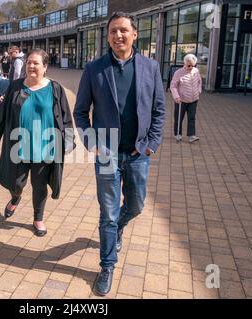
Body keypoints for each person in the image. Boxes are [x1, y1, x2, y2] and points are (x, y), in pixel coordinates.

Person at [73, 12, 166, 296]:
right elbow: (80, 112)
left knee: (135, 206)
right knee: (108, 214)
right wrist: (92, 143)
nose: (118, 36)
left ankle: (119, 228)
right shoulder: (94, 69)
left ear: (134, 34)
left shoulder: (150, 68)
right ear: (108, 36)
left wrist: (150, 144)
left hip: (138, 153)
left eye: (124, 30)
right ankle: (107, 265)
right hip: (107, 154)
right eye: (113, 31)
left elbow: (159, 111)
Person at [0, 48, 75, 237]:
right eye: (29, 63)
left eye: (36, 63)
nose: (31, 66)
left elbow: (66, 118)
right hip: (19, 145)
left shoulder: (55, 88)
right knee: (16, 182)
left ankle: (38, 218)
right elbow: (3, 115)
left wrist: (68, 141)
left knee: (39, 184)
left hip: (45, 146)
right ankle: (15, 198)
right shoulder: (16, 86)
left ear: (45, 67)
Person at [170, 53, 202, 143]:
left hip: (194, 99)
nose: (191, 67)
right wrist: (176, 96)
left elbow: (199, 81)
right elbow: (173, 86)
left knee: (192, 117)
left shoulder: (196, 71)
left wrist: (199, 90)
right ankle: (178, 134)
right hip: (181, 100)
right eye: (189, 65)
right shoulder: (178, 73)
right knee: (179, 118)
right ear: (185, 63)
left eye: (193, 65)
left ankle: (191, 136)